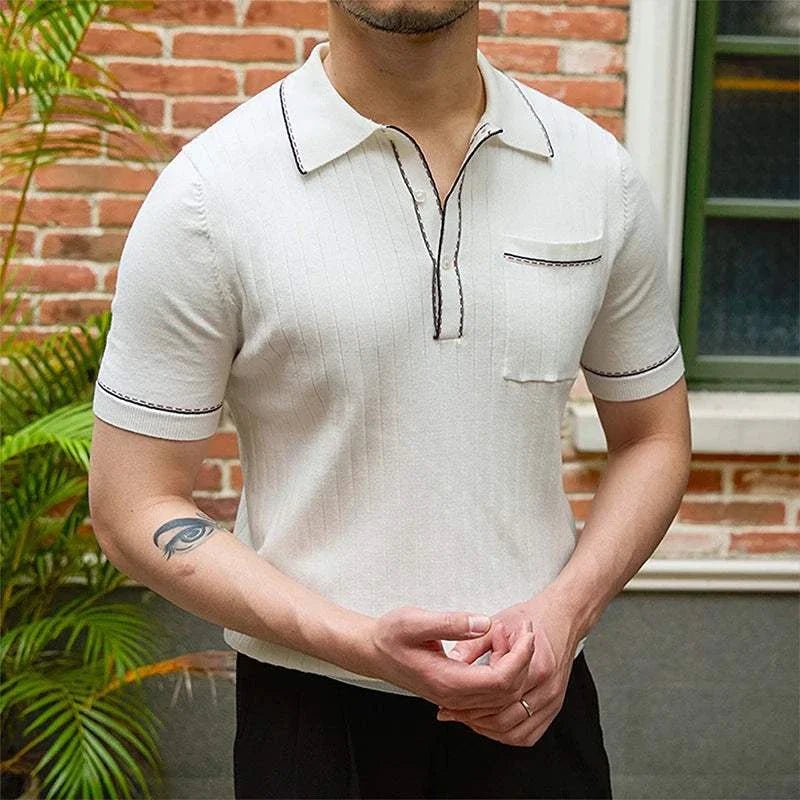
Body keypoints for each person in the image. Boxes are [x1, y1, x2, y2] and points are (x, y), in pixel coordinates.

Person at [88, 1, 692, 797]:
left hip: (539, 704)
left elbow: (654, 437)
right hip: (313, 720)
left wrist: (565, 613)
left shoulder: (596, 174)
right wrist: (360, 641)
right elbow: (131, 503)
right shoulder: (209, 194)